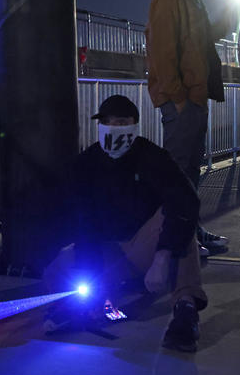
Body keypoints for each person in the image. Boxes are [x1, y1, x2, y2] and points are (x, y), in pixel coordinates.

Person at [42, 95, 207, 352]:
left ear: (134, 125)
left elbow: (186, 202)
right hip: (110, 251)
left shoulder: (152, 156)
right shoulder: (87, 163)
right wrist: (93, 278)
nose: (113, 128)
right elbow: (83, 222)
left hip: (144, 246)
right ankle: (87, 305)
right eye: (107, 122)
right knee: (55, 271)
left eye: (121, 122)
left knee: (178, 217)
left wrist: (162, 257)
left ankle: (185, 309)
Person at [146, 0, 231, 256]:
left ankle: (190, 229)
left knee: (189, 171)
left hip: (193, 97)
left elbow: (202, 39)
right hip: (184, 100)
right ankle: (177, 239)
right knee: (180, 172)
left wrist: (227, 15)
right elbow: (163, 51)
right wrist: (178, 98)